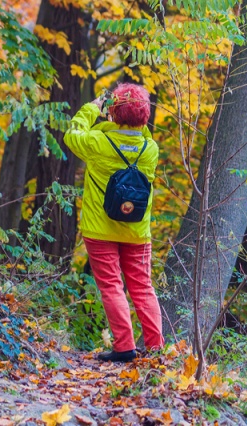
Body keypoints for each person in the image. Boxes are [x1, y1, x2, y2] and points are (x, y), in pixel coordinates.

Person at [63, 83, 164, 363]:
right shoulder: (150, 149)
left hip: (100, 228)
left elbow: (72, 134)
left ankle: (124, 347)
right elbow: (136, 137)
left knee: (111, 286)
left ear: (113, 114)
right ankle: (156, 349)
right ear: (144, 117)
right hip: (137, 230)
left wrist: (93, 108)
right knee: (143, 287)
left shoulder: (97, 142)